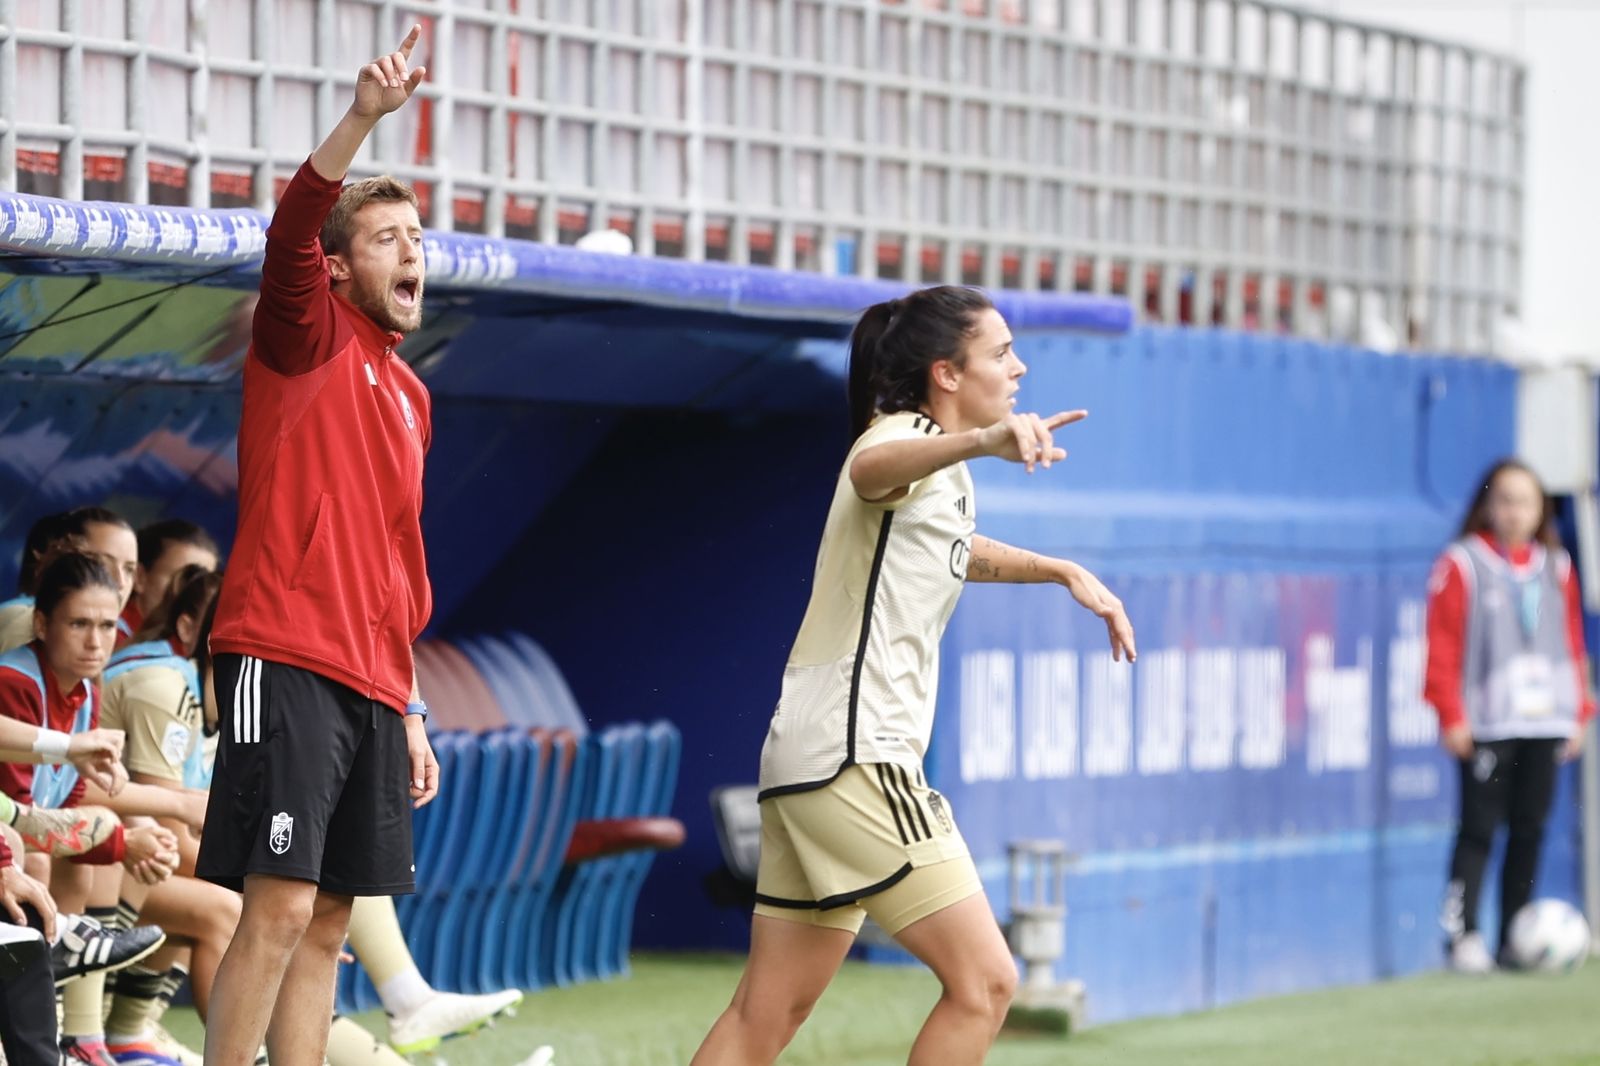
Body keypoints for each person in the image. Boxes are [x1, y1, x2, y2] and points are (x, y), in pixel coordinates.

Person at [691, 286, 1137, 1066]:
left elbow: (951, 546)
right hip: (858, 760)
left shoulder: (940, 464)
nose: (1019, 367)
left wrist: (1059, 569)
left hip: (808, 761)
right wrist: (984, 441)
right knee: (987, 983)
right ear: (947, 373)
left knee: (765, 1016)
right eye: (1001, 352)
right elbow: (872, 469)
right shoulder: (903, 435)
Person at [197, 25, 439, 1066]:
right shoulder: (304, 334)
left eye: (417, 236)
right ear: (336, 269)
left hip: (374, 680)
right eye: (386, 238)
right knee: (282, 905)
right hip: (285, 655)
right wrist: (362, 119)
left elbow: (397, 565)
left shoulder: (413, 395)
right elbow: (293, 223)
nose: (412, 251)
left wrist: (410, 703)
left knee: (332, 920)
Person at [1426, 458, 1595, 973]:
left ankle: (1515, 934)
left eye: (1526, 502)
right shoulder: (1464, 564)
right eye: (1504, 500)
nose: (1515, 512)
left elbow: (1572, 640)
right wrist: (1451, 712)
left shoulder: (1556, 566)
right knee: (1478, 829)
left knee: (1530, 829)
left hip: (1543, 722)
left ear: (1541, 509)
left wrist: (1579, 710)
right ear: (1487, 505)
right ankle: (1463, 936)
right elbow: (1443, 642)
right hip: (1488, 722)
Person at [122, 519, 219, 640]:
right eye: (182, 579)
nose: (194, 593)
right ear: (139, 577)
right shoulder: (110, 637)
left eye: (202, 584)